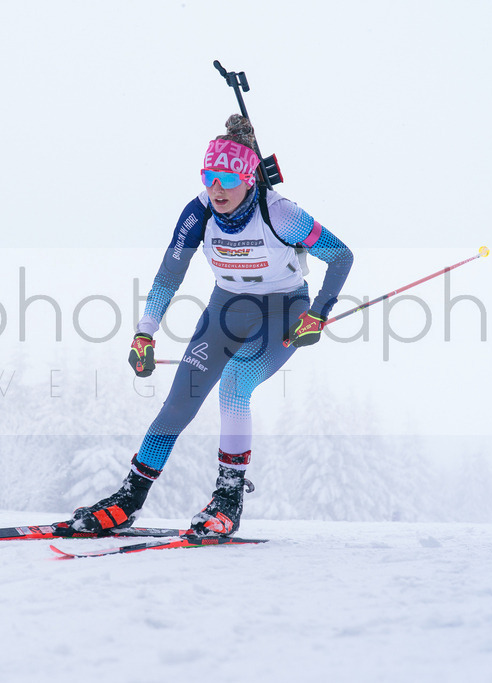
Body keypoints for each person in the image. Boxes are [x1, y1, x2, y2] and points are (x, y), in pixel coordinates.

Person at [67, 114, 354, 536]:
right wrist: (145, 331)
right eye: (208, 176)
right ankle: (130, 497)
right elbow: (169, 275)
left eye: (225, 177)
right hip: (227, 309)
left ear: (248, 178)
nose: (215, 188)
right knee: (179, 401)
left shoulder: (281, 213)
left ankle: (228, 497)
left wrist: (320, 312)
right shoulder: (197, 212)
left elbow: (341, 255)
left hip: (285, 310)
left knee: (236, 383)